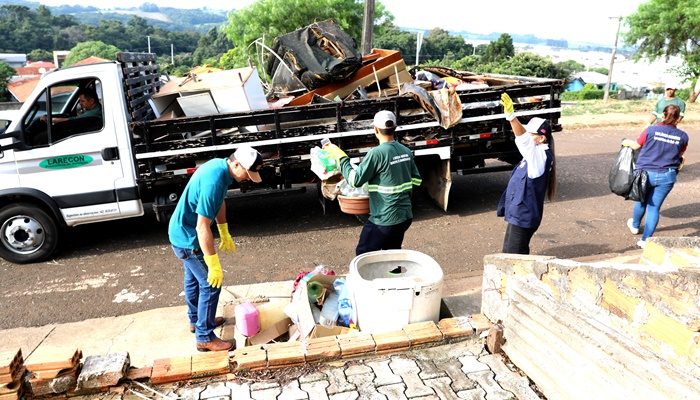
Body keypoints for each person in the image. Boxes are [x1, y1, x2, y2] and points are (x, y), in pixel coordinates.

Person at [168, 145, 263, 352]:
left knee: (193, 280)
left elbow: (219, 202)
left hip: (181, 233)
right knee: (211, 284)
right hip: (189, 239)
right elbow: (202, 227)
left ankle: (196, 320)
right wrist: (213, 263)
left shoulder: (221, 168)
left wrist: (223, 228)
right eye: (247, 173)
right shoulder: (214, 180)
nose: (248, 178)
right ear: (236, 164)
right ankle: (204, 336)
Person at [324, 110, 422, 256]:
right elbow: (416, 180)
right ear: (395, 128)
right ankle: (393, 277)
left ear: (375, 129)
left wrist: (342, 159)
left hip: (384, 218)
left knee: (363, 255)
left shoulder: (376, 154)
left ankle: (369, 279)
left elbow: (354, 180)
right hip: (404, 216)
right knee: (392, 255)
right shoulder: (406, 151)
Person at [497, 93, 556, 255]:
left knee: (514, 258)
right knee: (509, 253)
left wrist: (511, 117)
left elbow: (522, 140)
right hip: (519, 215)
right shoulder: (536, 153)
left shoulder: (539, 156)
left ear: (541, 138)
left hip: (524, 217)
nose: (527, 136)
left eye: (531, 134)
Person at [623, 104, 688, 249]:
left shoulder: (650, 130)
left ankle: (634, 226)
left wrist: (625, 142)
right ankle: (646, 241)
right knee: (654, 207)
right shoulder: (683, 136)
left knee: (641, 201)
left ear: (663, 116)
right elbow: (680, 155)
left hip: (645, 174)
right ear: (679, 119)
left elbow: (636, 146)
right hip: (667, 176)